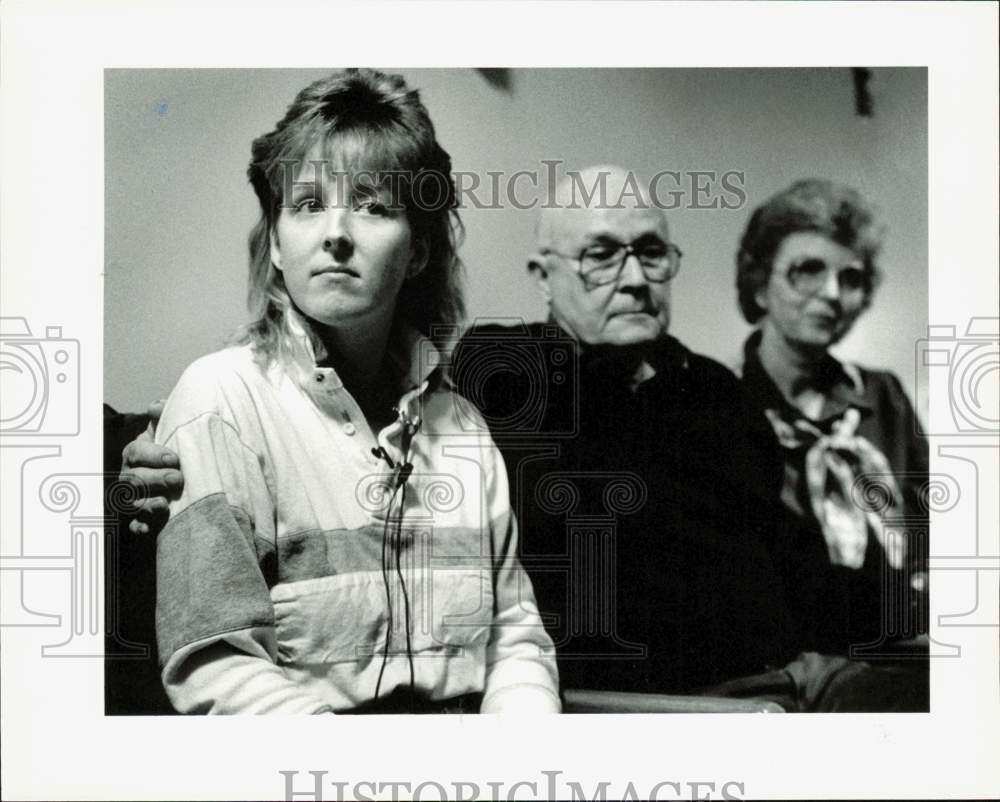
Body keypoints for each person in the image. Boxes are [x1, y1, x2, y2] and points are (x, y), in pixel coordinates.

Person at [123, 165, 923, 711]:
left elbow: (786, 551)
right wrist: (170, 454)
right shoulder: (504, 373)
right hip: (658, 700)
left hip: (793, 672)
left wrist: (913, 608)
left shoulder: (710, 385)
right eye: (602, 255)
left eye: (651, 252)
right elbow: (362, 443)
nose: (634, 277)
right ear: (545, 275)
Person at [139, 69, 559, 715]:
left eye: (372, 205)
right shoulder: (221, 398)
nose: (336, 233)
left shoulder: (464, 427)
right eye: (306, 205)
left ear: (417, 250)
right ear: (276, 245)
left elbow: (517, 642)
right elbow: (217, 663)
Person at [733, 179, 929, 655]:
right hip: (784, 666)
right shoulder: (724, 405)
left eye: (852, 278)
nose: (832, 293)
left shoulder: (883, 398)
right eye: (808, 271)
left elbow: (933, 533)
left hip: (898, 652)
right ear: (760, 286)